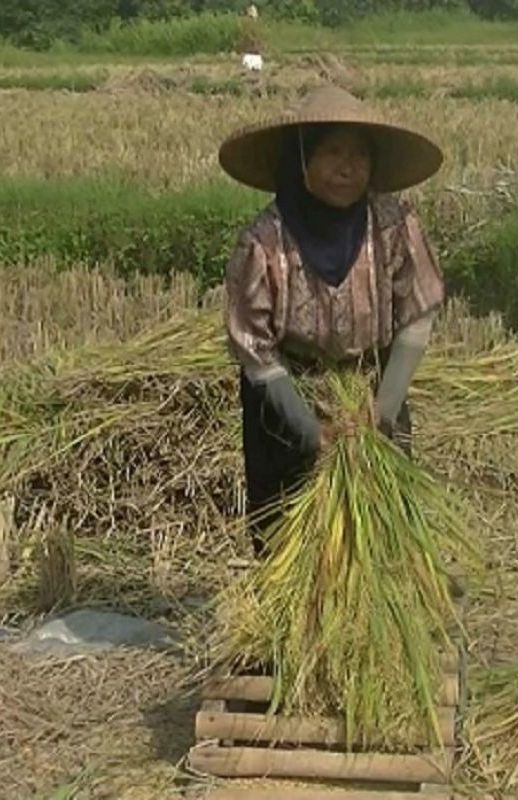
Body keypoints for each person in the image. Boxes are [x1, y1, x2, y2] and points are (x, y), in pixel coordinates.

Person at [217, 85, 446, 557]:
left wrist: (382, 408)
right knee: (290, 539)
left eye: (361, 155)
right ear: (302, 159)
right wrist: (308, 429)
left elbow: (418, 313)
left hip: (372, 387)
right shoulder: (263, 242)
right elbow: (254, 349)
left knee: (385, 530)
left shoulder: (394, 223)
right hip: (287, 401)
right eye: (334, 152)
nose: (350, 167)